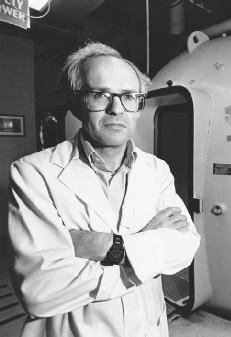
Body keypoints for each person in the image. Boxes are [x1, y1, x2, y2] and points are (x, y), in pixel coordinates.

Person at [8, 41, 200, 337]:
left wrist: (100, 245)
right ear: (76, 103)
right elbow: (40, 289)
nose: (116, 109)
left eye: (128, 97)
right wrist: (145, 246)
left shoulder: (156, 170)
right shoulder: (33, 173)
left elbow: (185, 247)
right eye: (100, 95)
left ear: (139, 107)